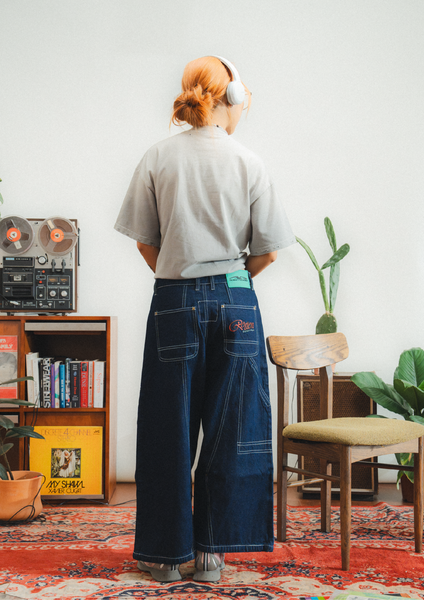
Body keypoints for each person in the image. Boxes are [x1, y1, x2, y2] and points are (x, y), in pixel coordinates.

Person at [114, 55, 296, 583]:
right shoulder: (249, 161)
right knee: (232, 426)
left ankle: (167, 556)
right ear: (231, 98)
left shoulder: (157, 157)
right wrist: (229, 283)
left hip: (173, 298)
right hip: (237, 302)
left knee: (168, 426)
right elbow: (267, 253)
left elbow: (147, 243)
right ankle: (214, 553)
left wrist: (181, 275)